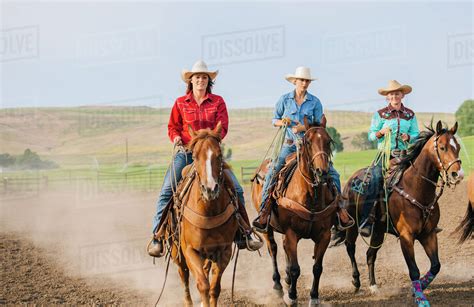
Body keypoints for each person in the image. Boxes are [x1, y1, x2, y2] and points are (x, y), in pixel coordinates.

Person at [147, 60, 263, 257]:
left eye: (204, 77)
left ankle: (245, 233)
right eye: (197, 77)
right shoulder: (180, 103)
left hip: (210, 154)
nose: (200, 80)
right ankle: (157, 235)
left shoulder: (218, 102)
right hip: (186, 153)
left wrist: (210, 138)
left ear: (209, 81)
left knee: (236, 188)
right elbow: (172, 126)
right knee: (167, 190)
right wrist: (176, 137)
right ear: (190, 81)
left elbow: (223, 126)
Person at [252, 66, 353, 232]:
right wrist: (282, 122)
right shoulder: (284, 100)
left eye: (307, 81)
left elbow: (319, 126)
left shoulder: (315, 102)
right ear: (295, 81)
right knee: (273, 171)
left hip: (310, 147)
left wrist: (303, 129)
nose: (304, 83)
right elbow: (274, 119)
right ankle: (264, 212)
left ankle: (340, 210)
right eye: (302, 80)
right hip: (289, 145)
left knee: (333, 173)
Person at [359, 80, 419, 237]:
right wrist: (380, 132)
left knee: (422, 178)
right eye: (391, 94)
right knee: (375, 179)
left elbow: (416, 135)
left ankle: (426, 218)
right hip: (385, 155)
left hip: (405, 155)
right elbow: (371, 135)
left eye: (397, 93)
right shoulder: (380, 114)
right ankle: (366, 220)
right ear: (387, 97)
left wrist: (409, 137)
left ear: (402, 95)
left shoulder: (410, 115)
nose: (394, 96)